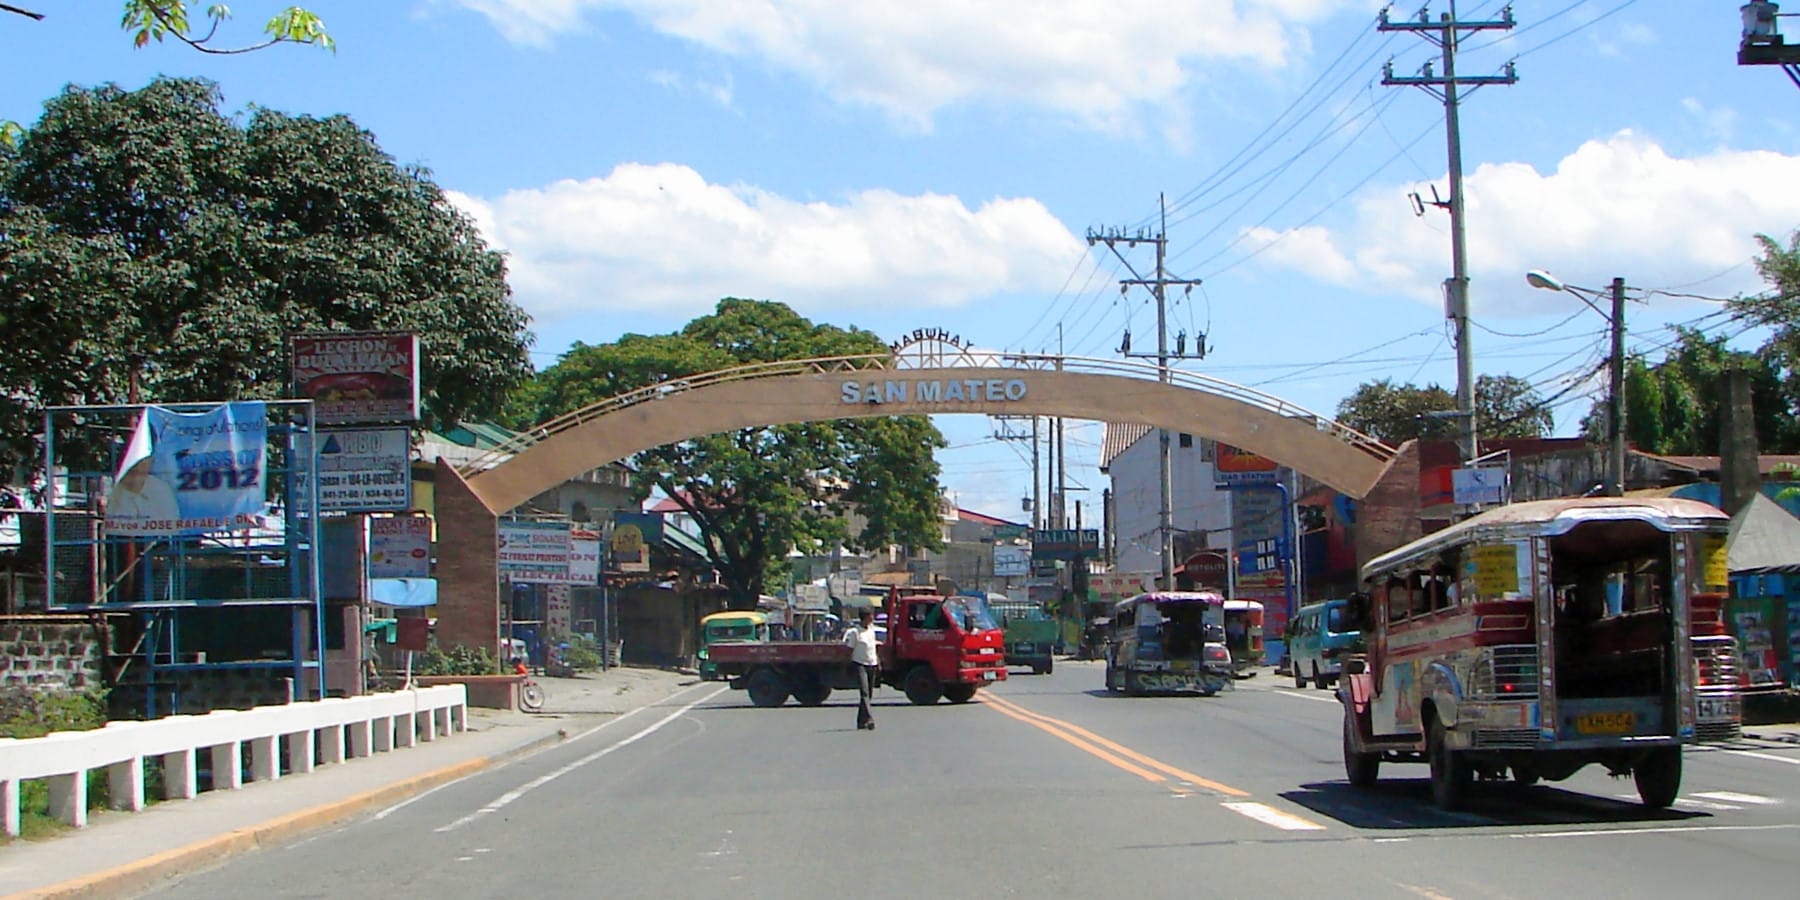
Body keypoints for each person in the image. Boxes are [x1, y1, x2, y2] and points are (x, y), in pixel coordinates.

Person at [844, 607, 880, 731]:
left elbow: (873, 647)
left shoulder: (871, 630)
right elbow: (849, 650)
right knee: (864, 692)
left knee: (868, 694)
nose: (873, 618)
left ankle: (861, 721)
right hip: (860, 665)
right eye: (871, 615)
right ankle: (870, 719)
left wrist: (878, 662)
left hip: (872, 664)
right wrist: (847, 666)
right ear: (865, 617)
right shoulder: (855, 632)